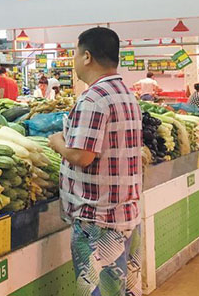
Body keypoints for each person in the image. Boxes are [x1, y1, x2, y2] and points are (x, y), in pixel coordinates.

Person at [48, 27, 142, 296]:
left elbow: (82, 156)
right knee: (123, 289)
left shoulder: (94, 98)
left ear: (86, 56)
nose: (74, 61)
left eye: (75, 54)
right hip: (125, 213)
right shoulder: (125, 93)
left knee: (99, 291)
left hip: (97, 220)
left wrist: (57, 144)